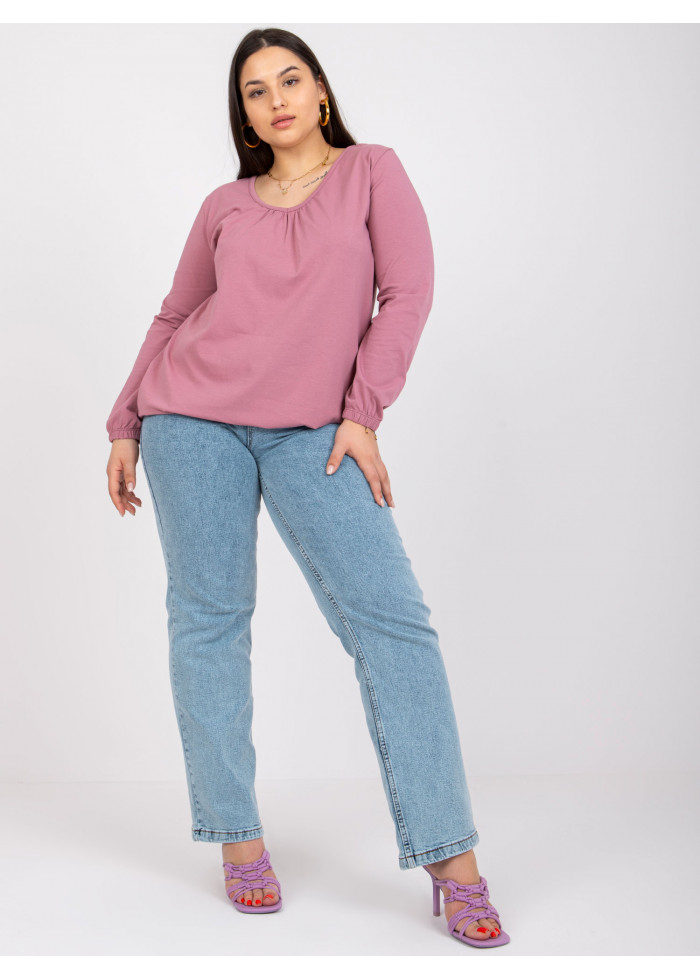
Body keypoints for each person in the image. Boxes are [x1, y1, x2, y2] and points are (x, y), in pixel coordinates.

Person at [104, 26, 510, 949]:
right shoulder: (224, 205)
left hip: (317, 433)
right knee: (209, 620)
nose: (276, 99)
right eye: (256, 90)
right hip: (190, 422)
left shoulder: (372, 172)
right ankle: (238, 838)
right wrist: (125, 420)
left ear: (321, 91)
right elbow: (176, 313)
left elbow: (407, 295)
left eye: (290, 80)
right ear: (244, 115)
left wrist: (363, 413)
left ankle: (452, 860)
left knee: (392, 623)